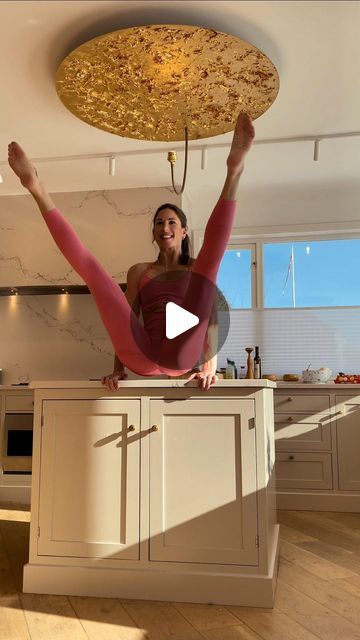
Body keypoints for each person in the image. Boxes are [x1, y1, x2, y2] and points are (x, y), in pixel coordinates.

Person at [8, 112, 255, 388]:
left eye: (172, 221)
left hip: (181, 355)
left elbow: (210, 319)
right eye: (159, 222)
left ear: (183, 232)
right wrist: (117, 369)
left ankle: (234, 172)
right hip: (142, 355)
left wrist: (210, 366)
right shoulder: (141, 272)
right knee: (93, 272)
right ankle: (38, 189)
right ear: (154, 233)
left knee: (208, 267)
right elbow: (123, 322)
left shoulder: (194, 268)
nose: (165, 227)